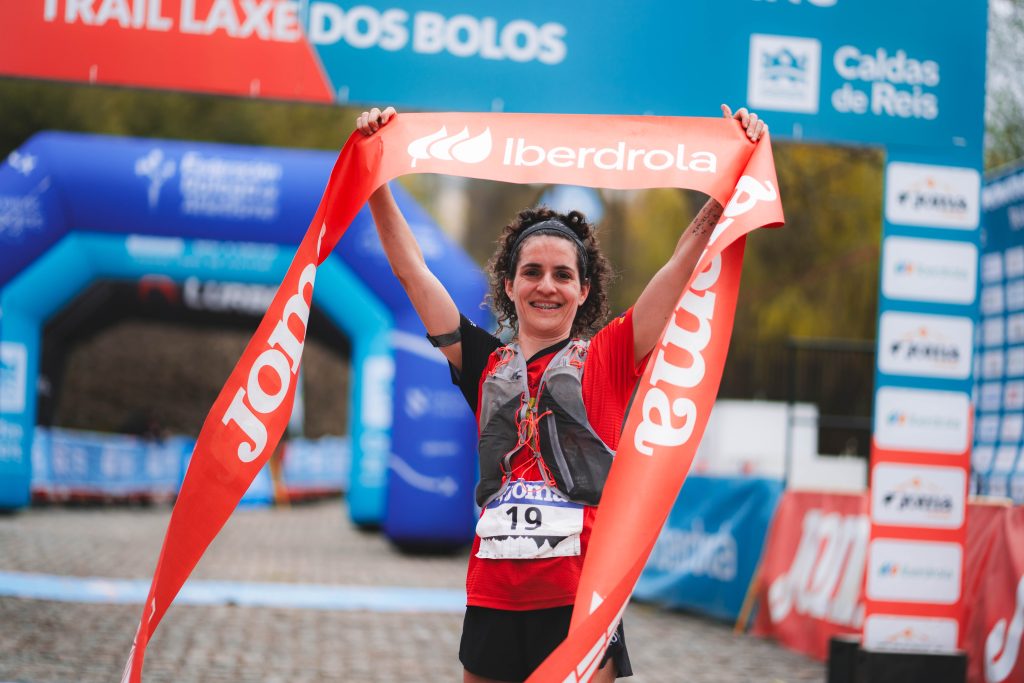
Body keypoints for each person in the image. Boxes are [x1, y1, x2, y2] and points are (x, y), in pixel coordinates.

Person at [356, 105, 767, 683]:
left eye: (562, 275)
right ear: (509, 285)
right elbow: (411, 271)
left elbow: (682, 265)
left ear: (583, 290)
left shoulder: (611, 354)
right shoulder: (483, 362)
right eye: (532, 272)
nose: (546, 285)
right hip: (493, 598)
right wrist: (376, 173)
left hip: (578, 603)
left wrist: (729, 181)